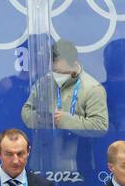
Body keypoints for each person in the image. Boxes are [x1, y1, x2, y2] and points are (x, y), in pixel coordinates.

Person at [20, 38, 110, 170]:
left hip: (77, 168)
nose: (55, 75)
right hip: (42, 165)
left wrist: (64, 120)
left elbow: (100, 125)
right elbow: (26, 111)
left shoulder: (93, 88)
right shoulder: (44, 83)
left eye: (60, 71)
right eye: (53, 70)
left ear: (73, 62)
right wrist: (40, 118)